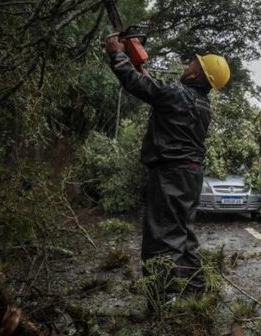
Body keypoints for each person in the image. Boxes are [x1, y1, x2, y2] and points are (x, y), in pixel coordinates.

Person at [103, 33, 230, 319]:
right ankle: (197, 293)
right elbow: (157, 92)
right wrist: (137, 61)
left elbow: (138, 85)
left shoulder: (175, 93)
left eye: (191, 63)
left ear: (197, 72)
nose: (186, 65)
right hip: (190, 175)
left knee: (160, 240)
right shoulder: (202, 106)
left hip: (170, 174)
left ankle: (159, 308)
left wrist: (116, 53)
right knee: (183, 235)